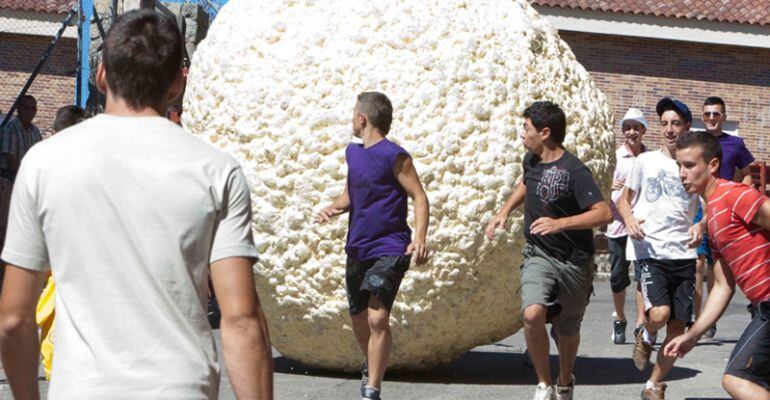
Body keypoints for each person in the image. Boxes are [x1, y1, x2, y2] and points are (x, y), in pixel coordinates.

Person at [0, 10, 273, 400]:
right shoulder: (218, 171)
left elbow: (13, 318)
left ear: (101, 74)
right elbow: (242, 320)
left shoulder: (44, 162)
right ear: (179, 83)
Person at [485, 101, 612, 400]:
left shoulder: (575, 170)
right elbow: (526, 184)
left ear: (545, 132)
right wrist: (504, 211)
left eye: (526, 129)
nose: (521, 135)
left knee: (567, 330)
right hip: (539, 254)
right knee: (532, 314)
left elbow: (604, 213)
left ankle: (565, 379)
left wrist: (561, 224)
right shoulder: (530, 161)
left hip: (574, 261)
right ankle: (544, 385)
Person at [317, 91, 430, 400]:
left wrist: (419, 238)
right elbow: (351, 195)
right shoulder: (353, 154)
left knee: (377, 317)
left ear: (362, 119)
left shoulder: (395, 156)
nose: (352, 119)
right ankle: (371, 362)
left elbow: (419, 196)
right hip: (357, 247)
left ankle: (372, 390)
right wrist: (334, 207)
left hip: (391, 247)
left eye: (354, 114)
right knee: (358, 318)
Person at [666, 130, 770, 400]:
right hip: (760, 307)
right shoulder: (713, 216)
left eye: (689, 165)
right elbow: (723, 286)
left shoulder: (734, 195)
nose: (682, 173)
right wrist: (693, 335)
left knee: (738, 379)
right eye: (679, 165)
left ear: (712, 165)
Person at [617, 97, 703, 400]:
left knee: (677, 327)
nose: (669, 129)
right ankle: (647, 332)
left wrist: (700, 225)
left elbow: (706, 203)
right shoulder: (645, 161)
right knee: (660, 314)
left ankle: (653, 383)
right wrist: (628, 220)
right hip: (652, 250)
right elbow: (623, 199)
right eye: (664, 123)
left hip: (684, 253)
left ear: (687, 127)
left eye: (675, 123)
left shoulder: (694, 164)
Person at [696, 96, 755, 339]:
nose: (711, 118)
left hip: (724, 212)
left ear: (724, 117)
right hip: (699, 208)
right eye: (708, 114)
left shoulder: (735, 144)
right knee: (698, 265)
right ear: (703, 117)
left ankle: (711, 319)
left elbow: (748, 175)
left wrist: (739, 198)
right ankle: (695, 318)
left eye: (716, 114)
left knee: (716, 268)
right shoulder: (697, 143)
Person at [607, 107, 649, 344]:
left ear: (643, 130)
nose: (631, 132)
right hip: (617, 225)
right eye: (627, 128)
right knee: (617, 276)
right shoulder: (615, 157)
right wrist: (610, 185)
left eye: (636, 127)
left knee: (642, 275)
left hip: (641, 224)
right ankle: (619, 318)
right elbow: (601, 189)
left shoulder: (648, 158)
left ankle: (640, 323)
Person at [0, 94, 42, 181]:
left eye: (33, 108)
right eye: (26, 108)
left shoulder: (36, 131)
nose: (29, 112)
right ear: (18, 109)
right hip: (10, 178)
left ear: (36, 111)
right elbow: (11, 163)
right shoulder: (10, 129)